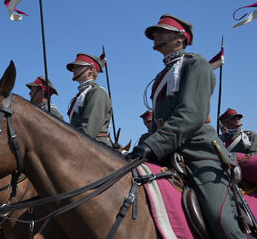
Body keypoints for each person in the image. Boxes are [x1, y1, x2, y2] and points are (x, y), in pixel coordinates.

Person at [132, 14, 245, 238]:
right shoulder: (163, 74)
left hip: (198, 153)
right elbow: (158, 122)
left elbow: (191, 115)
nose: (156, 35)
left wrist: (153, 145)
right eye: (156, 32)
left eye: (162, 31)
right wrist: (145, 145)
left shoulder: (196, 64)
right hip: (166, 152)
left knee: (220, 219)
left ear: (180, 38)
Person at [66, 53, 112, 147]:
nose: (74, 70)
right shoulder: (82, 94)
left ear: (91, 69)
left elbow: (88, 131)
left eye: (78, 66)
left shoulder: (97, 92)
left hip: (97, 148)